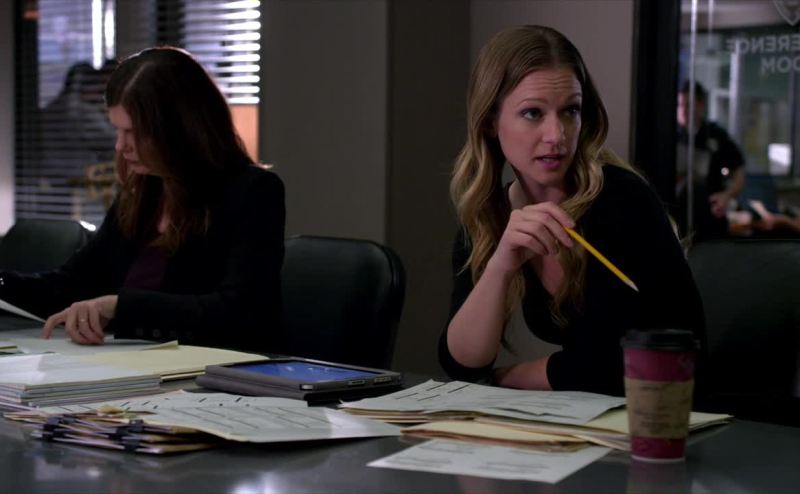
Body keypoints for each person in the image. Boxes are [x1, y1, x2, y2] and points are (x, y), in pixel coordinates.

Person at [439, 25, 706, 397]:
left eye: (570, 111)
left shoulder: (622, 198)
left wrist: (509, 377)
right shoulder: (489, 218)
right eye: (533, 113)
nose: (557, 135)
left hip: (669, 409)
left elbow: (643, 356)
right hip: (591, 416)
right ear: (489, 122)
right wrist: (501, 265)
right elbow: (463, 363)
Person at [0, 47, 285, 352]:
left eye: (134, 132)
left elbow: (238, 311)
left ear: (181, 128)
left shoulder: (253, 191)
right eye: (118, 130)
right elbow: (71, 284)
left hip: (208, 366)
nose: (121, 146)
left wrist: (120, 307)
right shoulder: (141, 192)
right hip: (130, 362)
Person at [676, 80, 745, 242]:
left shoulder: (715, 135)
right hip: (677, 216)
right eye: (680, 105)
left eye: (689, 105)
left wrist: (727, 195)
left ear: (701, 105)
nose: (683, 111)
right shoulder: (669, 134)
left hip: (710, 218)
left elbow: (739, 170)